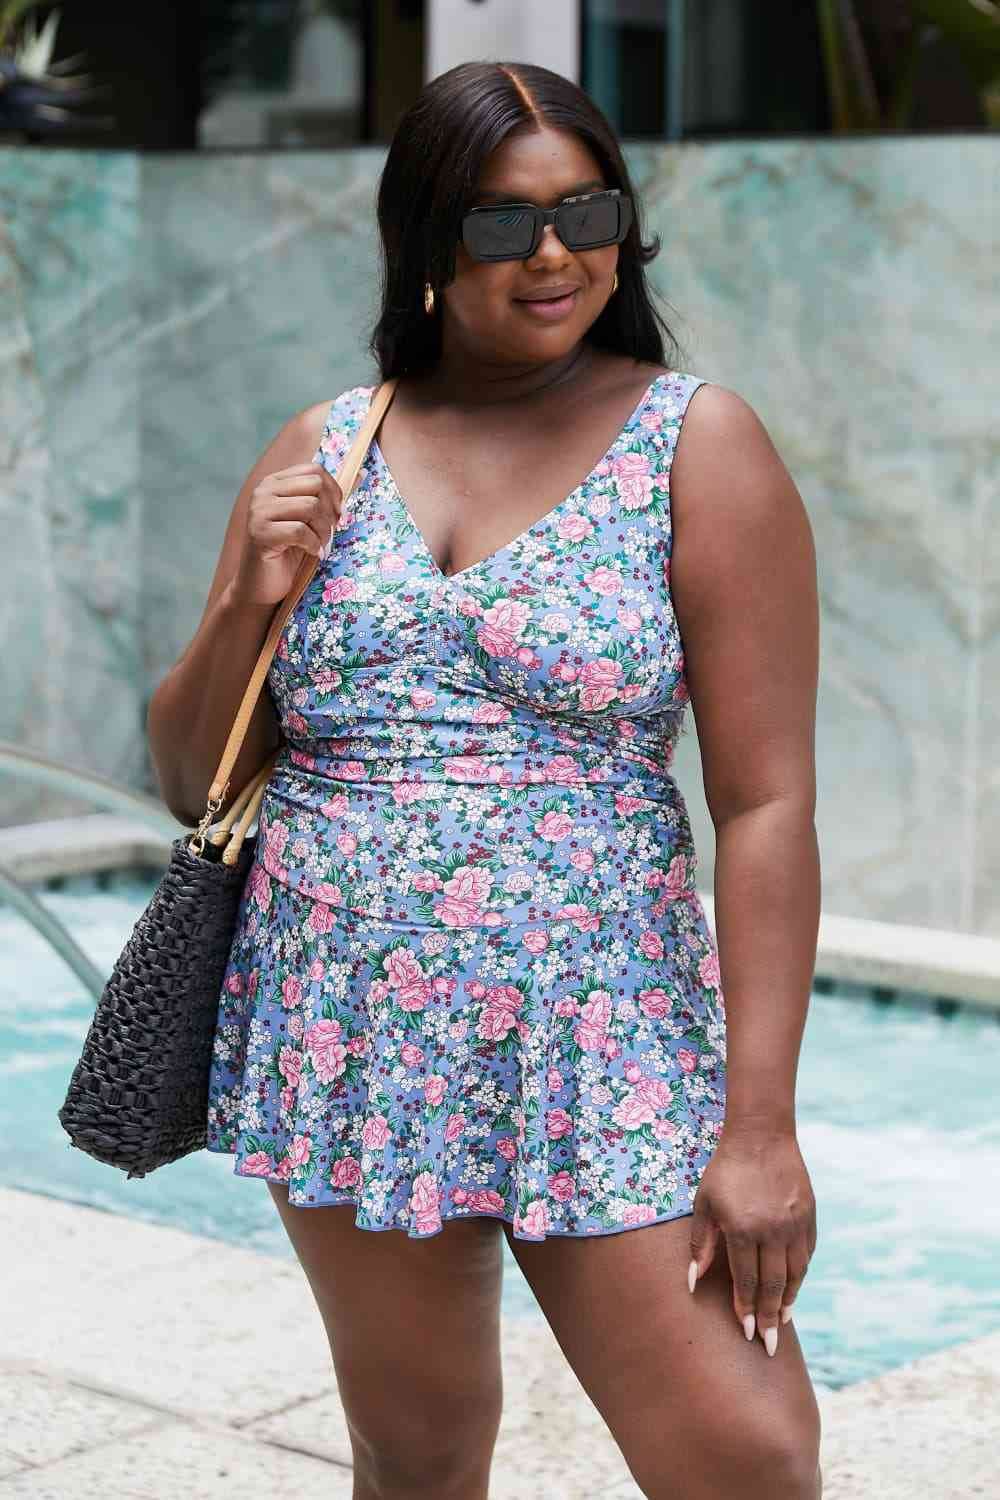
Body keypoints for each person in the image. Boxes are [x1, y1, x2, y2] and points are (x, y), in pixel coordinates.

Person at [147, 59, 822, 1500]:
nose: (556, 253)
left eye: (589, 212)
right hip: (345, 1029)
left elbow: (765, 804)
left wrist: (761, 1125)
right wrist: (249, 599)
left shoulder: (694, 443)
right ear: (428, 239)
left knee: (747, 1458)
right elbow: (189, 779)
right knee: (416, 1454)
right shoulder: (328, 446)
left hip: (604, 1033)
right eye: (507, 223)